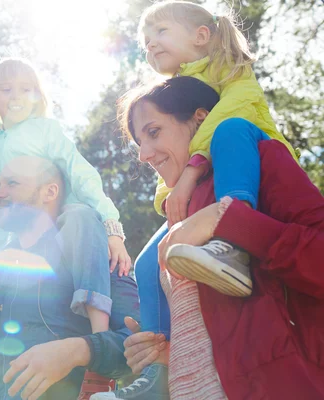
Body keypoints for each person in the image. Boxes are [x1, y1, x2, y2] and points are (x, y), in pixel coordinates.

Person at [94, 76, 324, 399]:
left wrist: (227, 220)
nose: (144, 154)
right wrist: (169, 355)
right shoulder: (178, 214)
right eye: (138, 143)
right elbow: (223, 338)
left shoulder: (261, 159)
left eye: (154, 132)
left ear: (200, 119)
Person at [119, 0, 299, 395]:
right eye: (145, 42)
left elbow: (225, 117)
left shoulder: (230, 72)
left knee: (231, 129)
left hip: (246, 157)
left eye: (160, 33)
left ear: (202, 36)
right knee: (150, 262)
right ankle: (156, 363)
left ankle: (233, 238)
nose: (150, 46)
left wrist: (191, 170)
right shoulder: (175, 88)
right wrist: (175, 192)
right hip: (204, 179)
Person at [0, 156, 140, 399]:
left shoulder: (102, 256)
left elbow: (140, 341)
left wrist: (78, 350)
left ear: (49, 192)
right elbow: (3, 370)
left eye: (12, 184)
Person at [0, 58, 131, 276]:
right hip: (27, 237)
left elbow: (78, 172)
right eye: (6, 89)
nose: (16, 96)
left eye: (26, 89)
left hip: (67, 225)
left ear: (36, 97)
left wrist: (110, 225)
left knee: (106, 277)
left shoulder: (44, 131)